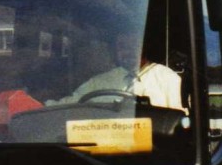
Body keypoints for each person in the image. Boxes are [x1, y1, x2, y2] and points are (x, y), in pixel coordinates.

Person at [51, 29, 183, 110]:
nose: (128, 51)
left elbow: (179, 119)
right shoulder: (100, 81)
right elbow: (67, 105)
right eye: (122, 46)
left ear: (144, 47)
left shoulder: (167, 78)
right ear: (115, 51)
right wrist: (32, 104)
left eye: (134, 45)